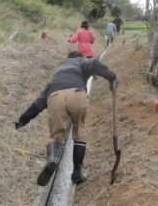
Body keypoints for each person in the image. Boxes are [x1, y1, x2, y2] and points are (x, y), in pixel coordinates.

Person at [14, 51, 117, 186]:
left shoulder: (57, 73)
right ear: (80, 57)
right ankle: (76, 174)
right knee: (79, 134)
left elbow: (38, 103)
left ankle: (53, 159)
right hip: (77, 94)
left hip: (55, 96)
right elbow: (93, 63)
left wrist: (22, 120)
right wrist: (111, 77)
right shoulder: (81, 61)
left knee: (57, 135)